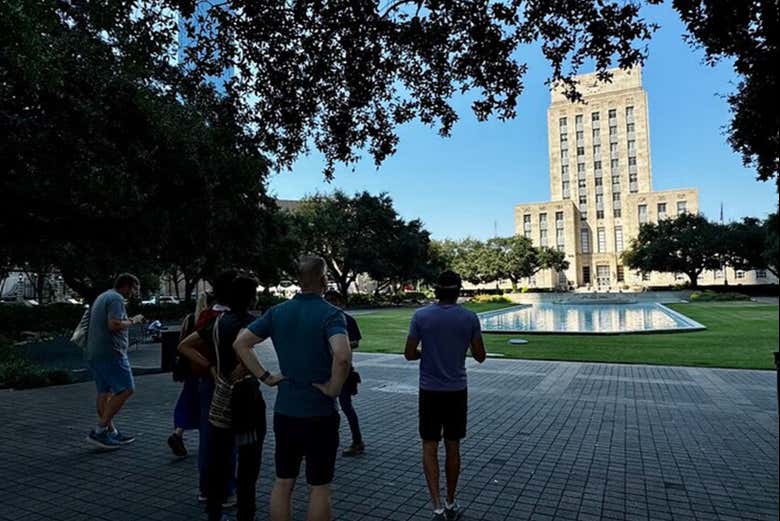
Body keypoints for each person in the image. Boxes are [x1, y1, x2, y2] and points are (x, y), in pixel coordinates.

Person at [233, 256, 351, 521]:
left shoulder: (277, 312)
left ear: (299, 280)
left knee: (284, 481)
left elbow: (241, 343)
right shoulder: (331, 314)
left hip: (286, 411)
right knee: (319, 486)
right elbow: (343, 357)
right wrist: (333, 388)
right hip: (320, 412)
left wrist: (265, 377)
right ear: (324, 279)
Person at [178, 276, 276, 521]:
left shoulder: (217, 321)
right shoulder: (251, 322)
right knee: (249, 461)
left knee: (218, 456)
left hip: (220, 395)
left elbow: (184, 346)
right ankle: (245, 512)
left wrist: (210, 366)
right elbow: (243, 347)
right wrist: (255, 370)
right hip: (246, 398)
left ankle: (214, 510)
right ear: (251, 298)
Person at [404, 271, 486, 521]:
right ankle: (451, 501)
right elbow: (480, 356)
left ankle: (437, 507)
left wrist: (426, 353)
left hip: (429, 391)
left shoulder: (421, 316)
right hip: (456, 391)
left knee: (429, 446)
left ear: (436, 290)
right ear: (459, 290)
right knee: (453, 447)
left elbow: (409, 353)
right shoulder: (469, 318)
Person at [170, 271, 238, 507]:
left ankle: (206, 489)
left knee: (208, 438)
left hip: (204, 382)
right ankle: (226, 490)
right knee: (227, 439)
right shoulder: (228, 319)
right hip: (224, 383)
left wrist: (207, 367)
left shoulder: (206, 315)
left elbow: (184, 346)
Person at [85, 273, 144, 450]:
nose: (135, 293)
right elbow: (114, 324)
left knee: (104, 393)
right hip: (112, 353)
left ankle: (111, 432)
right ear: (126, 286)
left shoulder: (103, 296)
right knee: (126, 389)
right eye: (134, 288)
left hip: (96, 352)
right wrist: (133, 320)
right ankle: (100, 431)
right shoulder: (116, 299)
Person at [323, 289, 364, 457]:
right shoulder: (322, 319)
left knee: (346, 406)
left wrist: (338, 345)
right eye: (328, 300)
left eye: (334, 300)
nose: (331, 304)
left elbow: (356, 343)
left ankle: (357, 441)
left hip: (343, 370)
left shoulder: (347, 320)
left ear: (341, 303)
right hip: (324, 369)